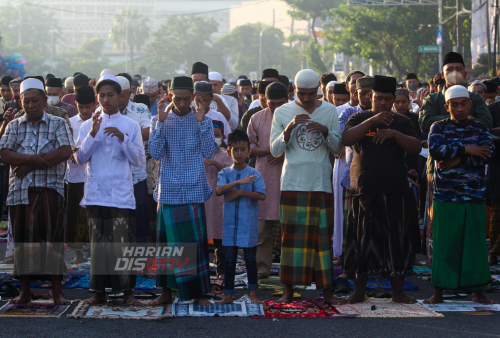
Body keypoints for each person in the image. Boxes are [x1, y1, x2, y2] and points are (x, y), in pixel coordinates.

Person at [342, 75, 421, 304]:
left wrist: (394, 134)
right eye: (379, 98)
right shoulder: (359, 117)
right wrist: (372, 121)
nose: (383, 102)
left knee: (396, 242)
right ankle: (358, 292)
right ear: (370, 96)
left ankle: (398, 293)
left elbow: (416, 146)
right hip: (363, 189)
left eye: (388, 99)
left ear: (394, 99)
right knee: (361, 242)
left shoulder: (402, 122)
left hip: (394, 190)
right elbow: (346, 139)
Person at [270, 69, 342, 304]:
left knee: (322, 239)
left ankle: (327, 292)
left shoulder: (329, 110)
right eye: (303, 94)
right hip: (292, 182)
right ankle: (289, 291)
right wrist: (289, 129)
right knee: (290, 240)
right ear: (294, 90)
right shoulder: (283, 112)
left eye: (312, 94)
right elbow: (275, 150)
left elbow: (337, 147)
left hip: (320, 182)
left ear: (318, 91)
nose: (308, 99)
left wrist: (326, 131)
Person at [0, 78, 73, 305]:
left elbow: (64, 152)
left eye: (35, 100)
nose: (30, 105)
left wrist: (30, 163)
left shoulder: (57, 123)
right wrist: (36, 158)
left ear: (44, 101)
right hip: (20, 193)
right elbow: (4, 154)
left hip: (49, 190)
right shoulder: (14, 125)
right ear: (20, 101)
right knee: (23, 242)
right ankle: (24, 291)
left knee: (52, 239)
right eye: (26, 101)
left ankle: (57, 292)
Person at [424, 85, 497, 305]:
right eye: (454, 105)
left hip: (474, 196)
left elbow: (487, 153)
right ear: (447, 107)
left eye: (463, 103)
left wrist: (457, 157)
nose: (460, 108)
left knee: (474, 246)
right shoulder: (438, 127)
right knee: (445, 245)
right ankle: (438, 292)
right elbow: (436, 150)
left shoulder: (480, 127)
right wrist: (467, 150)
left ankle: (479, 292)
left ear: (470, 104)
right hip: (446, 196)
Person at [76, 75, 145, 305]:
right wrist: (94, 134)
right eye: (102, 95)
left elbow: (138, 160)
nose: (106, 99)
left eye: (111, 95)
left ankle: (127, 293)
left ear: (120, 97)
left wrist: (123, 138)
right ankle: (99, 293)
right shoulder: (88, 125)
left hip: (121, 196)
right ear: (98, 97)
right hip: (96, 194)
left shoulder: (130, 126)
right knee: (99, 247)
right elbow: (79, 158)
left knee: (123, 245)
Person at [419, 52, 493, 265]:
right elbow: (425, 124)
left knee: (471, 232)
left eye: (458, 68)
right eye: (449, 69)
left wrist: (461, 156)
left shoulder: (476, 98)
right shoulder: (433, 98)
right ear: (442, 74)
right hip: (440, 170)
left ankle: (472, 279)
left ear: (465, 71)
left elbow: (485, 123)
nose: (454, 73)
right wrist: (453, 118)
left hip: (472, 180)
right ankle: (436, 265)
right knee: (441, 225)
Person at [148, 76, 216, 306]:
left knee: (194, 245)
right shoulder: (159, 119)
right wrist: (159, 122)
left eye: (188, 99)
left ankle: (198, 294)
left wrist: (201, 122)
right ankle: (166, 293)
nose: (183, 103)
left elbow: (209, 152)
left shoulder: (203, 119)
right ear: (169, 95)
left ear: (194, 97)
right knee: (167, 247)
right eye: (178, 98)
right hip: (168, 189)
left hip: (193, 188)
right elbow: (155, 153)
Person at [216, 129, 266, 305]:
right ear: (229, 151)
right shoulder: (224, 173)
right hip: (229, 225)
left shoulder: (254, 174)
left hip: (248, 224)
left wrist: (240, 192)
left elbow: (261, 195)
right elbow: (219, 191)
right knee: (229, 261)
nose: (239, 153)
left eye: (243, 149)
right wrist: (238, 184)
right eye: (235, 150)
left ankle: (253, 294)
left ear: (248, 151)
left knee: (251, 260)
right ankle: (228, 295)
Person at [247, 82, 288, 280]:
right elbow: (249, 148)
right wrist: (273, 150)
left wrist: (283, 153)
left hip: (289, 179)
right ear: (264, 100)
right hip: (264, 178)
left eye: (281, 103)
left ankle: (290, 270)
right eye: (272, 103)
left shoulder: (294, 117)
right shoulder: (256, 118)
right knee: (262, 229)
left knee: (289, 229)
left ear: (288, 100)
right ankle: (262, 268)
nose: (276, 107)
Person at [65, 86, 96, 264]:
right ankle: (77, 255)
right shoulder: (69, 123)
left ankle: (93, 253)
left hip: (93, 177)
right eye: (81, 106)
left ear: (94, 104)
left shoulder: (99, 122)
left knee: (92, 216)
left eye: (88, 107)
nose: (84, 111)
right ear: (76, 105)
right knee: (74, 216)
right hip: (75, 177)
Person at [204, 120, 233, 278]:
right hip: (203, 202)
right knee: (202, 234)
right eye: (209, 135)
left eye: (216, 135)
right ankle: (201, 268)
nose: (213, 138)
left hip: (218, 203)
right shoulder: (198, 153)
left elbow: (230, 173)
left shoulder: (225, 155)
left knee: (219, 236)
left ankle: (222, 268)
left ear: (222, 137)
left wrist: (214, 163)